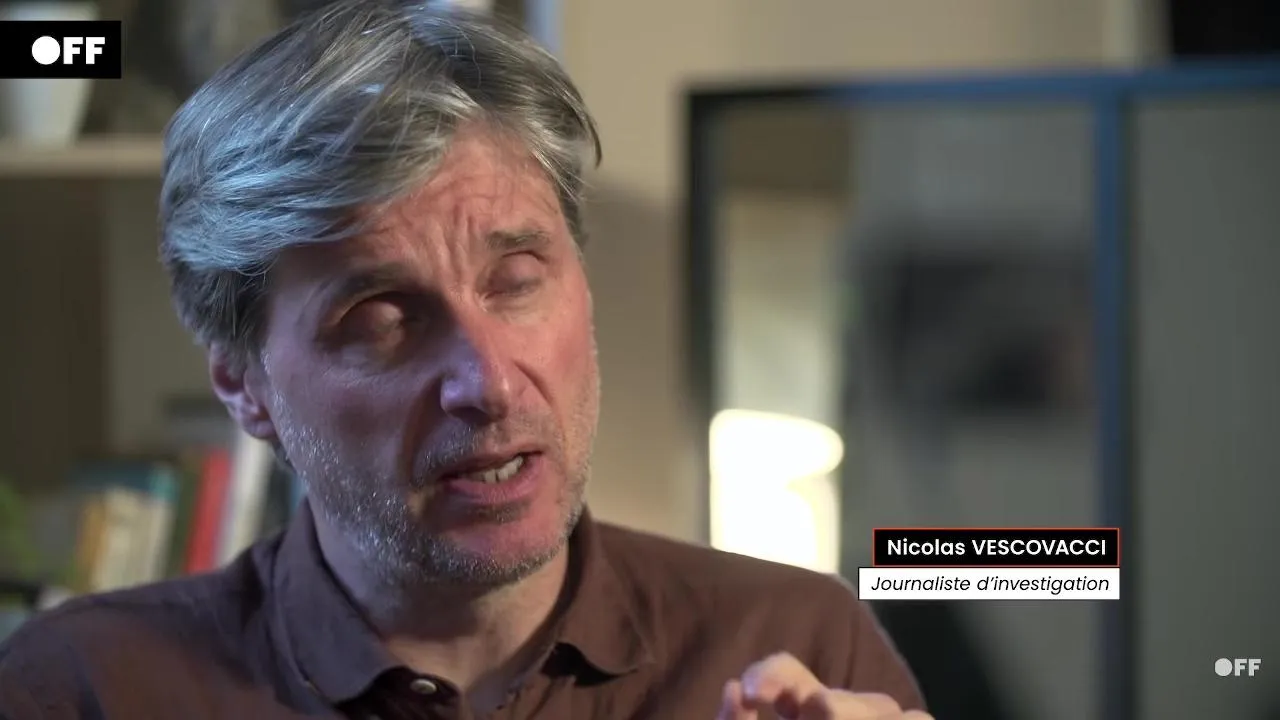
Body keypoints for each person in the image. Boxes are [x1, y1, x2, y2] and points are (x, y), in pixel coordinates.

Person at [0, 2, 929, 718]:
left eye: (516, 281)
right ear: (247, 387)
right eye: (381, 319)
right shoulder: (86, 687)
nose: (486, 382)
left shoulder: (797, 644)